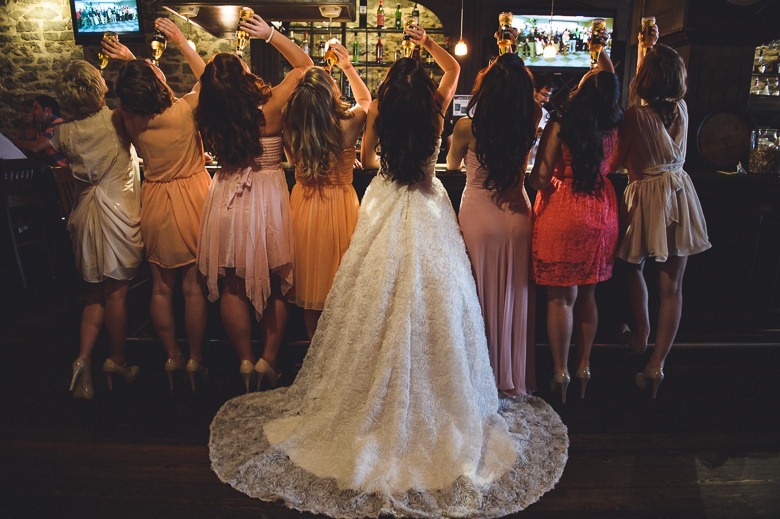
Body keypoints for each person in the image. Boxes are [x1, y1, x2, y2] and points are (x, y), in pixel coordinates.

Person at [209, 23, 567, 518]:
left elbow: (368, 157)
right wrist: (428, 46)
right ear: (424, 94)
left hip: (385, 202)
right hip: (427, 204)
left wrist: (381, 149)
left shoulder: (377, 111)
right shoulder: (440, 110)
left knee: (373, 299)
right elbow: (455, 69)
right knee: (436, 302)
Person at [196, 14, 313, 392]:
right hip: (267, 197)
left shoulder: (210, 113)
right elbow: (305, 66)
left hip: (227, 197)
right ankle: (269, 361)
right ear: (243, 76)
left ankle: (244, 361)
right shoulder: (272, 105)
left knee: (232, 286)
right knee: (275, 283)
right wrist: (271, 35)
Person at [107, 18, 211, 392]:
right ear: (157, 84)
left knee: (160, 288)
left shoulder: (126, 118)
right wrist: (183, 41)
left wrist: (131, 63)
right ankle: (196, 358)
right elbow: (208, 78)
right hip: (192, 199)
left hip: (153, 200)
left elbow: (141, 90)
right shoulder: (184, 111)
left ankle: (171, 356)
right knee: (192, 289)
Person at [611, 26, 711, 399]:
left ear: (644, 78)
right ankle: (656, 366)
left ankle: (641, 335)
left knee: (633, 268)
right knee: (672, 287)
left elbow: (615, 162)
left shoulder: (635, 117)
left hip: (646, 197)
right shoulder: (682, 109)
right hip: (680, 195)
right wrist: (646, 48)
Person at [528, 48, 623, 403]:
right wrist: (605, 63)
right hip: (599, 211)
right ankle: (584, 364)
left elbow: (538, 179)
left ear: (583, 91)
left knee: (560, 298)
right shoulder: (613, 122)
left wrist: (550, 176)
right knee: (588, 295)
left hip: (563, 209)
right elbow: (608, 85)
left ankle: (560, 370)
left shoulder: (560, 123)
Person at [446, 53, 539, 399]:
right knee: (514, 297)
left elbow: (452, 164)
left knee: (478, 300)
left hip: (480, 217)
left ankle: (480, 377)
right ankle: (510, 376)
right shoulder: (531, 118)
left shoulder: (469, 127)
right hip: (518, 214)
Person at [51, 60, 144, 399]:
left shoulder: (62, 133)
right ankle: (117, 359)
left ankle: (82, 359)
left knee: (96, 293)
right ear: (98, 86)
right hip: (117, 210)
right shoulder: (116, 120)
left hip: (86, 214)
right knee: (117, 293)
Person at [284, 50, 370, 339]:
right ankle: (337, 356)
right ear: (330, 94)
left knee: (310, 284)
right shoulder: (347, 125)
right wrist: (347, 65)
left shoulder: (290, 127)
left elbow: (294, 161)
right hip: (340, 206)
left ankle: (313, 352)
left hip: (304, 207)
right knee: (339, 285)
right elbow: (365, 101)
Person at [13, 95, 67, 166]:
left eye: (35, 108)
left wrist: (11, 142)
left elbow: (36, 146)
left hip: (62, 171)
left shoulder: (57, 125)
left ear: (47, 109)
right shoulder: (46, 126)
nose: (33, 112)